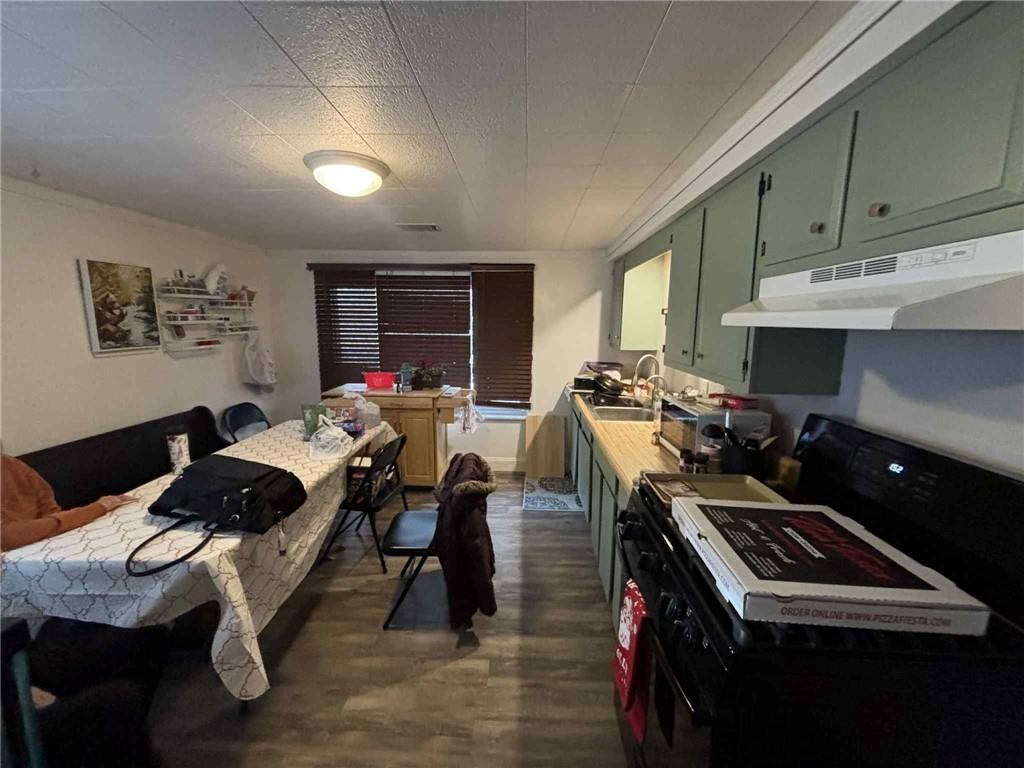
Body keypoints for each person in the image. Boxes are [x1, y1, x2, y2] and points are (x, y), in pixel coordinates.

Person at [0, 454, 167, 767]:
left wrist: (50, 526)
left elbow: (50, 512)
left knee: (147, 637)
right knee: (119, 700)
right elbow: (9, 536)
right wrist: (95, 509)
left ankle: (113, 746)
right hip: (11, 665)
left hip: (23, 640)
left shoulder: (11, 467)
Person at [0, 454, 136, 551]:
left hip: (47, 547)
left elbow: (49, 509)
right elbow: (8, 537)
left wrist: (56, 528)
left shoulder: (10, 464)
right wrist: (98, 508)